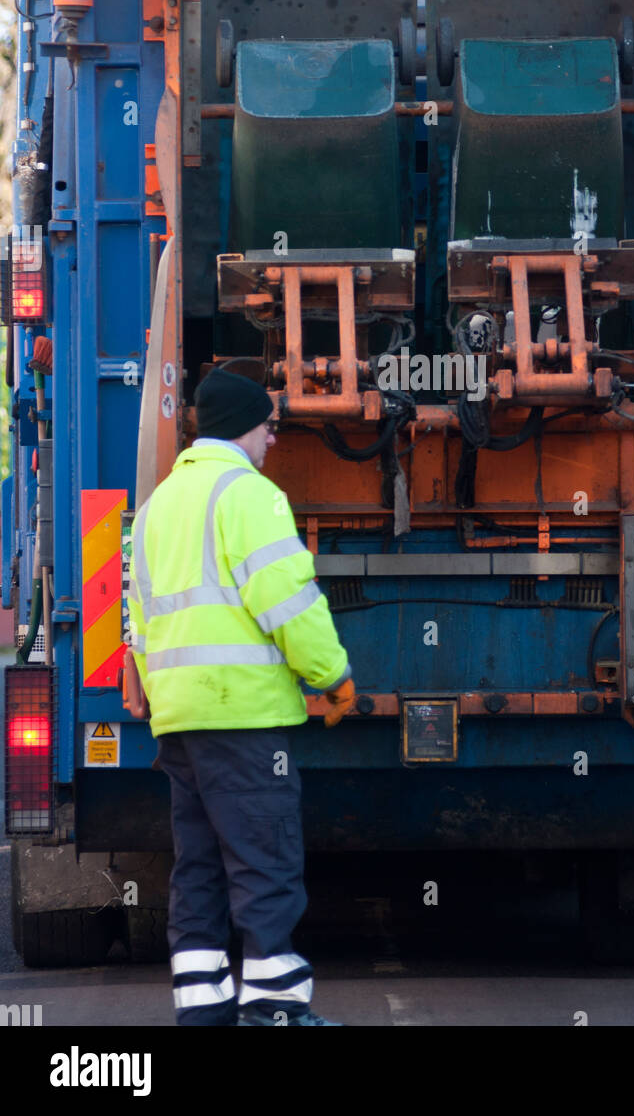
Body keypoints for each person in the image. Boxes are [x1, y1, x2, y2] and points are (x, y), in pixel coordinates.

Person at [126, 367, 355, 1027]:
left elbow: (137, 617)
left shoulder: (157, 506)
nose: (273, 443)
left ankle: (202, 1010)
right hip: (243, 716)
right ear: (246, 428)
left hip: (180, 722)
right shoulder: (248, 495)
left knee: (198, 868)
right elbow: (288, 602)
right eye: (271, 429)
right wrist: (331, 676)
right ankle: (276, 1010)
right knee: (265, 862)